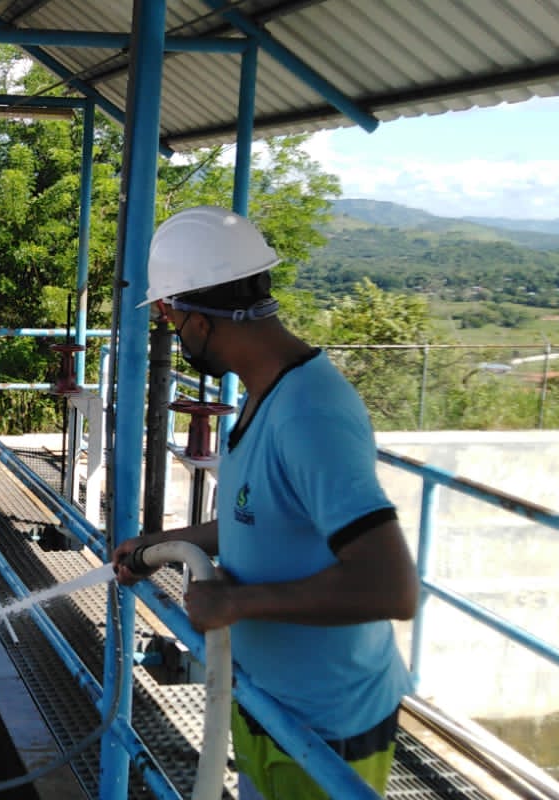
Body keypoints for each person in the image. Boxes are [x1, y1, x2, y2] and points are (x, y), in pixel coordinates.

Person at [112, 206, 419, 800]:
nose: (174, 333)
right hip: (273, 703)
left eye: (171, 318)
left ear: (199, 321)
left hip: (326, 729)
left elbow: (391, 588)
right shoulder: (267, 394)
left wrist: (240, 601)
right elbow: (260, 517)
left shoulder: (309, 414)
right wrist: (161, 545)